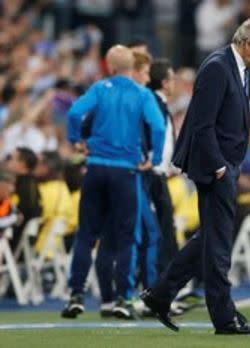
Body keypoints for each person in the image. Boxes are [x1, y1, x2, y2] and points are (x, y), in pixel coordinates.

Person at [140, 16, 250, 334]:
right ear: (247, 43)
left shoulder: (236, 67)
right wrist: (219, 167)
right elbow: (202, 123)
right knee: (218, 243)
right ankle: (224, 317)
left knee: (211, 238)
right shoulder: (218, 67)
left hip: (224, 166)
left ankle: (161, 296)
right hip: (215, 168)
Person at [61, 45, 165, 319]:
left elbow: (74, 113)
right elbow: (158, 126)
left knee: (86, 234)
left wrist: (75, 141)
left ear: (107, 66)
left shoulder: (99, 88)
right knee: (127, 238)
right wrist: (154, 160)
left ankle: (76, 294)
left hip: (96, 168)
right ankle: (123, 298)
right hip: (125, 171)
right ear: (131, 66)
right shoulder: (142, 94)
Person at [147, 59, 178, 274]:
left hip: (159, 172)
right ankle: (163, 281)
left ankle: (169, 281)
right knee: (160, 228)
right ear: (165, 83)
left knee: (166, 227)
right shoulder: (153, 104)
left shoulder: (160, 104)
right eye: (172, 79)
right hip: (152, 173)